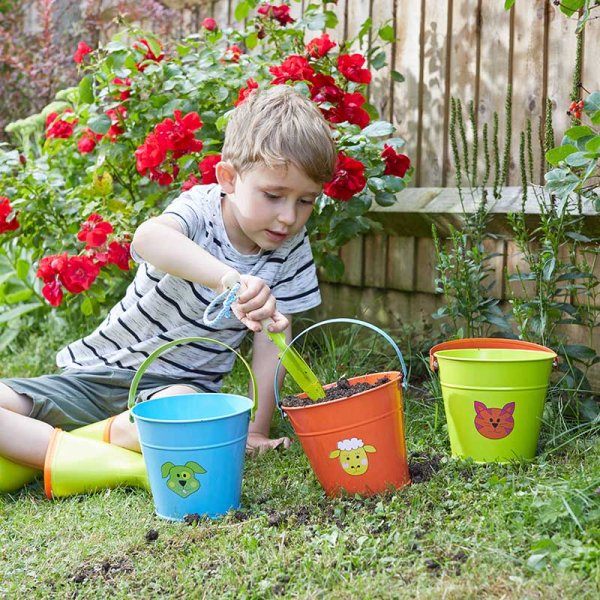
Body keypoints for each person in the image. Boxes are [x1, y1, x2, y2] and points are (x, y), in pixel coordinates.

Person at [0, 85, 337, 497]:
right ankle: (99, 449)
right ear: (229, 179)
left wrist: (256, 428)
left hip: (177, 390)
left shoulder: (290, 250)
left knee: (192, 422)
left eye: (305, 201)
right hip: (98, 372)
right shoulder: (202, 209)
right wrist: (228, 279)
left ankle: (54, 448)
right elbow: (148, 238)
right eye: (273, 195)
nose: (288, 217)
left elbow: (273, 339)